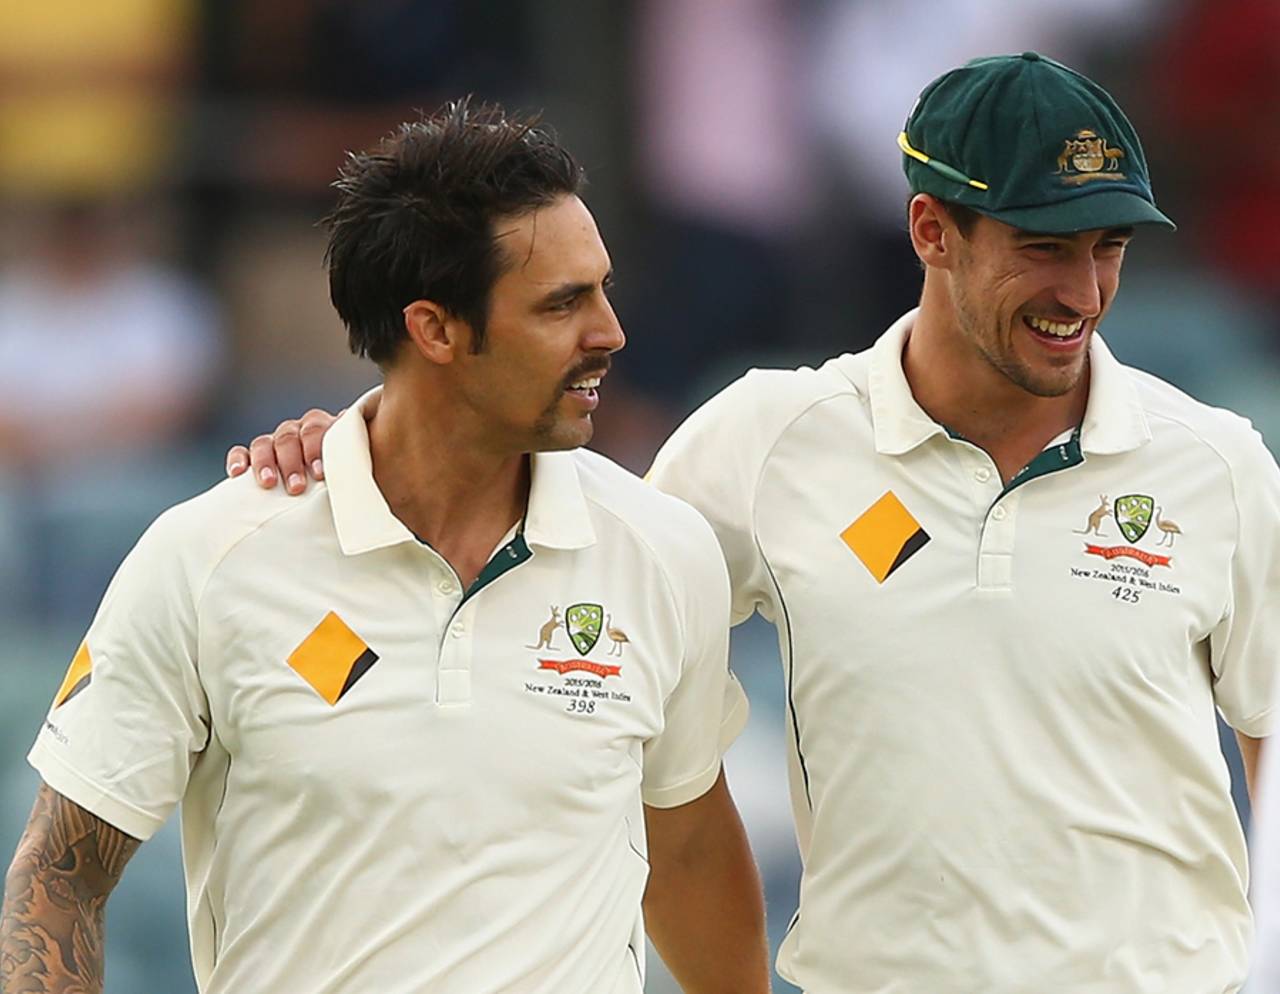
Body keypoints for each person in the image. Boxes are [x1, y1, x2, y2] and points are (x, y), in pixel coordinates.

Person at [232, 55, 1280, 993]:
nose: (1082, 290)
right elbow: (537, 562)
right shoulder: (767, 440)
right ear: (930, 231)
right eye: (1044, 247)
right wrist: (382, 442)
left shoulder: (1215, 463)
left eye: (1107, 247)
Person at [1, 102, 769, 994]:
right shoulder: (209, 556)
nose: (610, 333)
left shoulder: (661, 548)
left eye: (602, 289)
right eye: (563, 304)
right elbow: (60, 874)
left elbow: (683, 850)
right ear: (434, 329)